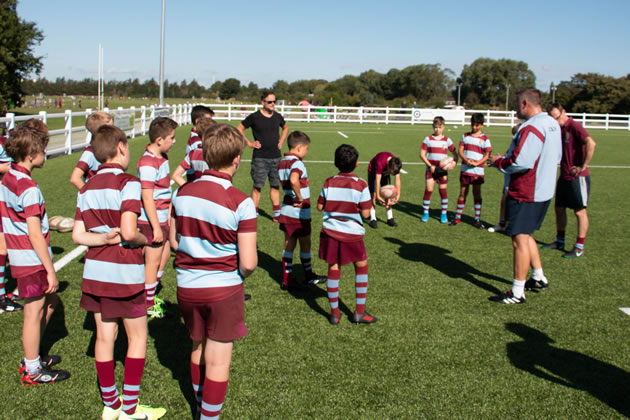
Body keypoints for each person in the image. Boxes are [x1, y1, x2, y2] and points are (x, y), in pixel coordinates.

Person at [72, 125, 166, 420]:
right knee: (137, 337)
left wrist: (101, 238)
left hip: (95, 272)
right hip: (125, 272)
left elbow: (78, 235)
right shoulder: (129, 182)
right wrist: (146, 238)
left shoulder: (86, 187)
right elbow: (128, 231)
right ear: (122, 147)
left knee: (104, 337)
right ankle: (129, 408)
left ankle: (110, 405)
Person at [170, 124, 257, 419]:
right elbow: (248, 262)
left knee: (197, 345)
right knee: (219, 361)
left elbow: (174, 241)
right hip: (223, 288)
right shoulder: (241, 202)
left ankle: (198, 405)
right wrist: (238, 277)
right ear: (236, 159)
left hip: (186, 285)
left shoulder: (181, 193)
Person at [0, 124, 70, 384]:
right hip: (30, 258)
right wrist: (50, 268)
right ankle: (31, 369)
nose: (45, 154)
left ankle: (34, 355)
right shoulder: (28, 187)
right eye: (42, 150)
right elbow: (34, 233)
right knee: (33, 312)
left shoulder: (9, 176)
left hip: (22, 254)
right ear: (30, 153)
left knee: (50, 302)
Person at [488, 88, 562, 303]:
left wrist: (499, 162)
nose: (514, 109)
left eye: (516, 104)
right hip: (544, 190)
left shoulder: (531, 127)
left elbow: (522, 162)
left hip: (526, 191)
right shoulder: (552, 123)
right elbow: (556, 155)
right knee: (527, 234)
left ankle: (517, 292)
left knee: (519, 239)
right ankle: (539, 276)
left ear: (524, 104)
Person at [317, 144, 376, 325]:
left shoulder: (328, 182)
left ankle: (334, 313)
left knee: (333, 269)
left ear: (335, 163)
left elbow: (319, 206)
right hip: (352, 233)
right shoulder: (361, 185)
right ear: (357, 163)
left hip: (331, 231)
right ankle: (359, 312)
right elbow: (366, 214)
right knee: (361, 266)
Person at [542, 103, 597, 258]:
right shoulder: (559, 129)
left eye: (557, 117)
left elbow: (591, 143)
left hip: (577, 177)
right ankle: (560, 241)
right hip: (564, 176)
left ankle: (579, 247)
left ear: (563, 112)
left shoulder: (574, 126)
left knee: (579, 211)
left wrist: (582, 166)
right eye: (553, 118)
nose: (556, 121)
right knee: (559, 208)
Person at [137, 117, 177, 319]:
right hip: (150, 221)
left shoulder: (162, 158)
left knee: (163, 257)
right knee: (151, 262)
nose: (174, 141)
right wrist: (155, 227)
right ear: (160, 140)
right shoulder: (147, 162)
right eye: (172, 138)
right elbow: (146, 196)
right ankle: (148, 304)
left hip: (162, 218)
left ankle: (149, 295)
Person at [277, 131, 326, 289]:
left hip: (286, 210)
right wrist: (299, 197)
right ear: (299, 148)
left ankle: (287, 278)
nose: (306, 153)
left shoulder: (282, 162)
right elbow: (293, 180)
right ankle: (309, 275)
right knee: (305, 243)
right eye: (306, 149)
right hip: (299, 211)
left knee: (289, 243)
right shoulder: (297, 163)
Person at [237, 91, 289, 221]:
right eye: (270, 102)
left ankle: (276, 213)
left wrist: (281, 141)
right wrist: (249, 143)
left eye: (274, 101)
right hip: (260, 157)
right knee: (258, 186)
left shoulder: (277, 116)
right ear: (263, 102)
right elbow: (239, 128)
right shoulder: (254, 117)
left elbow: (286, 127)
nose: (273, 104)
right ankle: (253, 212)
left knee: (275, 185)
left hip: (276, 157)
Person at [449, 113, 491, 228]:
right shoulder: (465, 136)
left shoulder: (485, 139)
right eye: (473, 124)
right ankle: (457, 217)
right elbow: (460, 150)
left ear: (481, 125)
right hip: (465, 169)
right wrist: (465, 159)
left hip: (478, 171)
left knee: (476, 194)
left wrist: (477, 163)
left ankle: (477, 219)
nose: (474, 127)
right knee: (462, 193)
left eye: (477, 125)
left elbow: (487, 155)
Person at [419, 116, 458, 224]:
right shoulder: (428, 139)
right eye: (435, 127)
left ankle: (443, 214)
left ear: (443, 127)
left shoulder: (447, 140)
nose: (437, 129)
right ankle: (426, 213)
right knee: (429, 190)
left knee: (443, 191)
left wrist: (454, 163)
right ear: (433, 127)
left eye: (440, 127)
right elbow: (422, 155)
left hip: (442, 171)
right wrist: (430, 165)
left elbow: (455, 154)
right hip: (430, 169)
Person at [488, 124, 521, 233]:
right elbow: (506, 160)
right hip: (508, 181)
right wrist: (499, 160)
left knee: (516, 205)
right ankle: (502, 224)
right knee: (504, 201)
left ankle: (514, 226)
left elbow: (513, 165)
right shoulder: (511, 148)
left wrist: (497, 162)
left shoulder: (523, 149)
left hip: (517, 182)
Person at [69, 111, 114, 190]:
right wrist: (89, 194)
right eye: (110, 128)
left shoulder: (108, 149)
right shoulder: (90, 153)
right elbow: (75, 178)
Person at [172, 117, 217, 186]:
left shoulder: (192, 154)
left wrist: (190, 189)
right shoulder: (217, 154)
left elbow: (176, 176)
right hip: (212, 192)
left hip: (197, 193)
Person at [366, 152, 402, 228]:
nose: (392, 174)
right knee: (373, 195)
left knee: (388, 194)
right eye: (391, 172)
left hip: (385, 171)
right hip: (373, 171)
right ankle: (373, 218)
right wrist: (378, 196)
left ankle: (390, 218)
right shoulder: (380, 162)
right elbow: (377, 181)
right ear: (389, 167)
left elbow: (398, 179)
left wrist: (398, 195)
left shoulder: (395, 164)